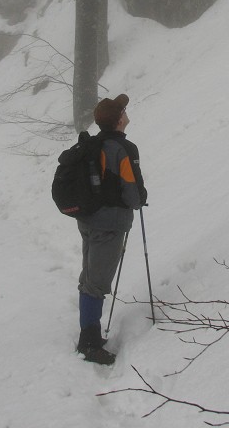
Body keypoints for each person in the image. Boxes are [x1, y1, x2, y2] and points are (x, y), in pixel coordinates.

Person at [76, 93, 147, 365]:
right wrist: (140, 199)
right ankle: (89, 343)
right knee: (96, 283)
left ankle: (90, 332)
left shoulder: (92, 144)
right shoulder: (123, 149)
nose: (126, 113)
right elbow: (132, 193)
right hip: (109, 224)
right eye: (123, 111)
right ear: (119, 121)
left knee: (89, 277)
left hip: (87, 219)